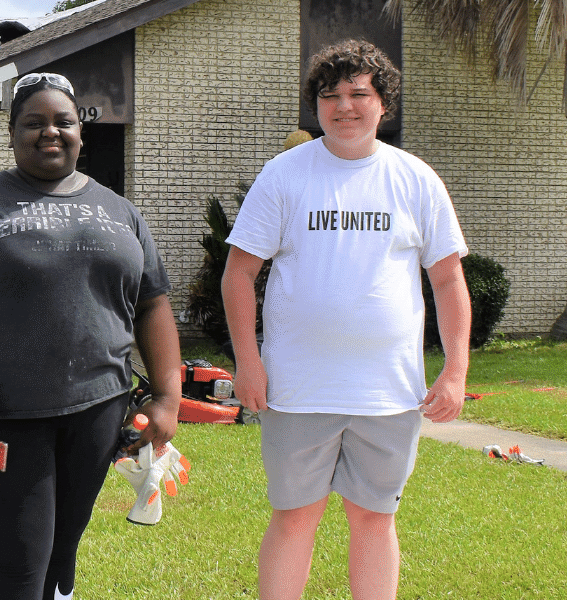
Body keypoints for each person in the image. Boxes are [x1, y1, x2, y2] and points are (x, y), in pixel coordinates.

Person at [0, 72, 183, 600]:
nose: (50, 132)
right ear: (12, 135)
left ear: (81, 131)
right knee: (18, 560)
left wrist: (168, 397)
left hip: (100, 408)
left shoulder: (120, 210)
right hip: (6, 413)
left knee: (62, 551)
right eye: (33, 123)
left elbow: (152, 304)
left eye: (63, 121)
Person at [221, 39, 472, 600]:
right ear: (317, 105)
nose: (344, 106)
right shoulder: (284, 174)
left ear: (384, 103)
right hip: (295, 390)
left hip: (389, 393)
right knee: (294, 517)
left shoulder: (416, 179)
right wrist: (248, 363)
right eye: (330, 95)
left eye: (360, 93)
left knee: (374, 520)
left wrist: (455, 370)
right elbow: (238, 275)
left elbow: (449, 280)